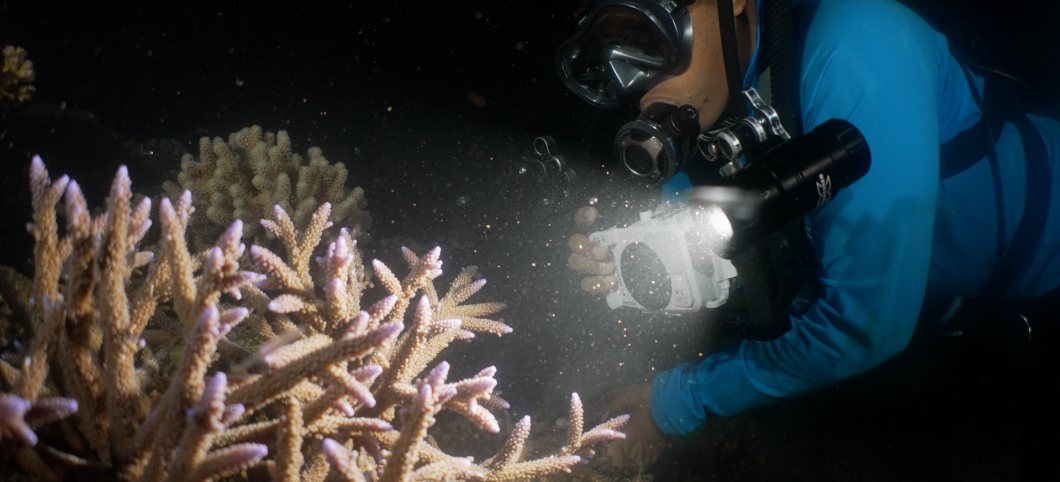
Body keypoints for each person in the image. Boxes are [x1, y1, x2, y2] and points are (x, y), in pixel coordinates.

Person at [560, 0, 1060, 477]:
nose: (631, 81)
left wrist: (671, 404)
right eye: (604, 56)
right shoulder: (725, 88)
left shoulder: (859, 51)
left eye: (641, 35)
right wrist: (640, 247)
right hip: (995, 307)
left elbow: (864, 328)